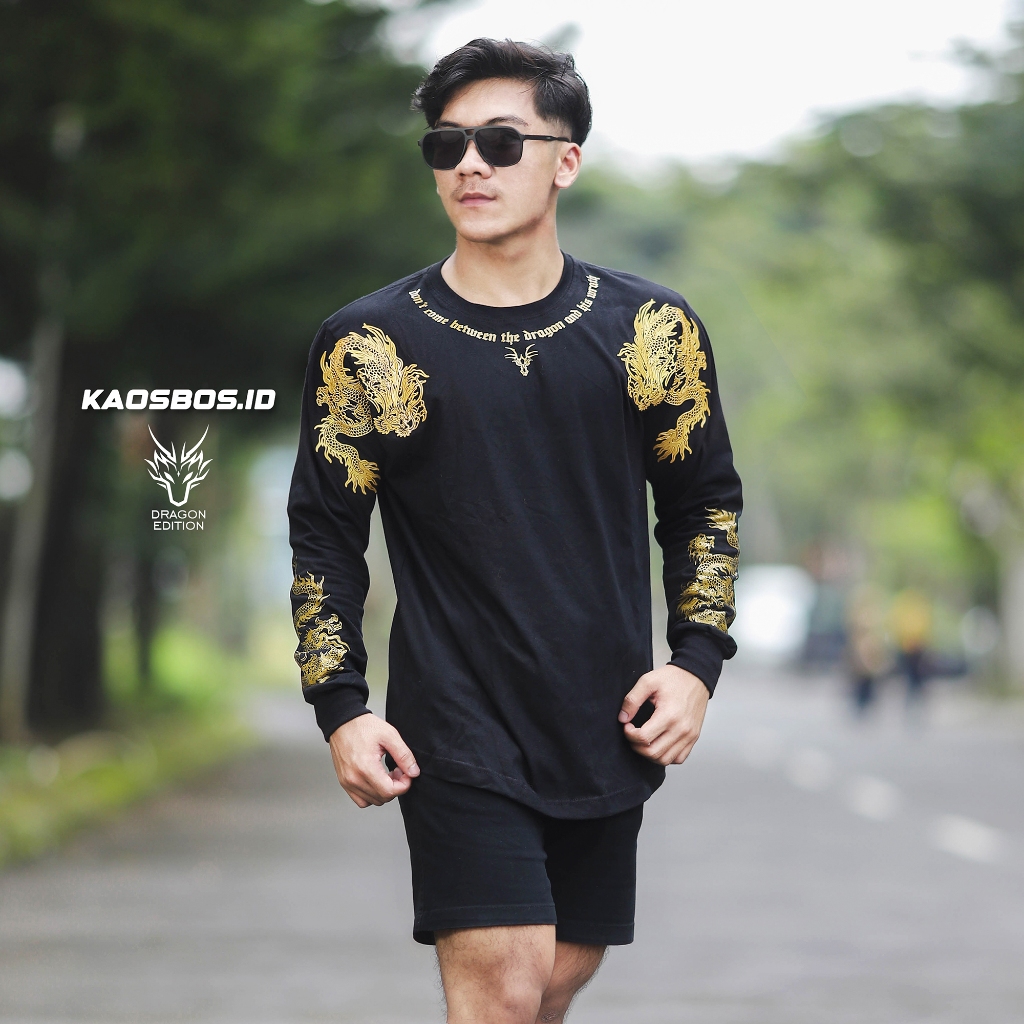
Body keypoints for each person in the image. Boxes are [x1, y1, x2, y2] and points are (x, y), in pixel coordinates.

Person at [287, 38, 742, 1024]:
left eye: (499, 142)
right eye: (446, 145)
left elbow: (702, 504)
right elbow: (325, 535)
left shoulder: (651, 331)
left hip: (606, 719)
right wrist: (341, 705)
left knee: (549, 986)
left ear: (565, 160)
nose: (469, 166)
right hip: (451, 724)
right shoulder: (369, 343)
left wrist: (695, 665)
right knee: (501, 981)